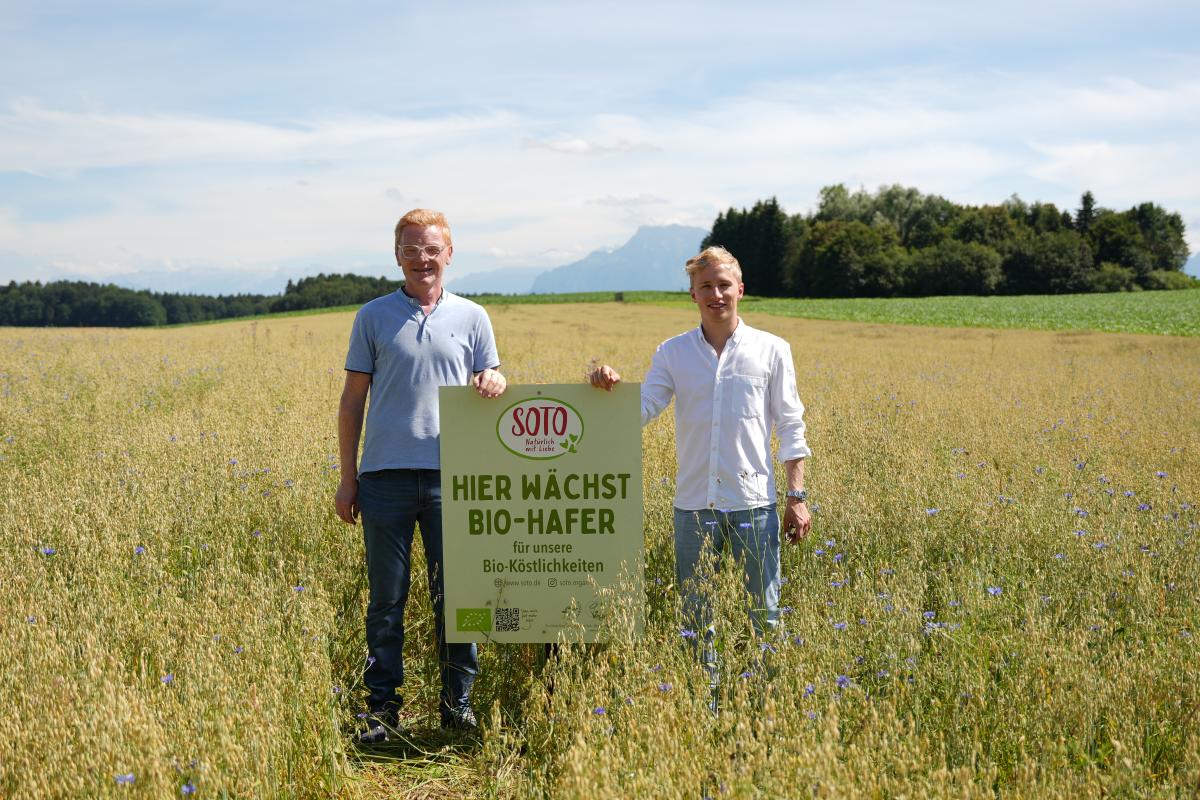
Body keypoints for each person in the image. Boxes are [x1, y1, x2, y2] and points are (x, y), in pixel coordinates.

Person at [589, 245, 811, 691]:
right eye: (705, 286)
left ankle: (762, 706)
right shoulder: (673, 352)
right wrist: (606, 388)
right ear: (692, 294)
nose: (716, 294)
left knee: (764, 616)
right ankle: (703, 709)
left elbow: (791, 424)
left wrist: (796, 496)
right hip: (693, 507)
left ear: (741, 289)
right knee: (695, 618)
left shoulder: (772, 350)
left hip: (754, 505)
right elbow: (644, 407)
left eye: (724, 285)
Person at [335, 208, 507, 742]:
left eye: (432, 249)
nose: (422, 259)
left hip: (453, 479)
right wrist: (347, 477)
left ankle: (458, 707)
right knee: (386, 600)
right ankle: (381, 710)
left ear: (449, 254)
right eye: (411, 250)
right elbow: (352, 400)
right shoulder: (373, 316)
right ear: (397, 256)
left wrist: (495, 379)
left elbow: (490, 377)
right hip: (383, 478)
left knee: (459, 597)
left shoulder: (473, 317)